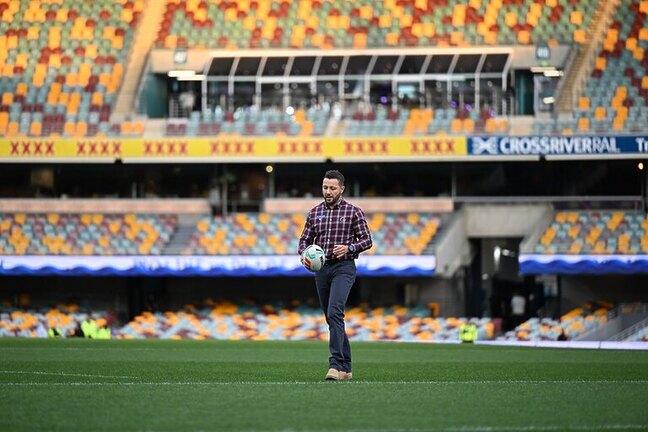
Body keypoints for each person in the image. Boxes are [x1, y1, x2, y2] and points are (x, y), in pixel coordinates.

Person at [298, 170, 373, 381]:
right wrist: (305, 255)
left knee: (334, 312)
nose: (328, 191)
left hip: (344, 267)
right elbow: (303, 241)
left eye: (332, 188)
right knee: (333, 319)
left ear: (341, 189)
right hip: (321, 269)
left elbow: (367, 240)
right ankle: (347, 368)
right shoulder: (314, 213)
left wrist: (349, 248)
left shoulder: (353, 212)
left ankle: (335, 365)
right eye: (325, 187)